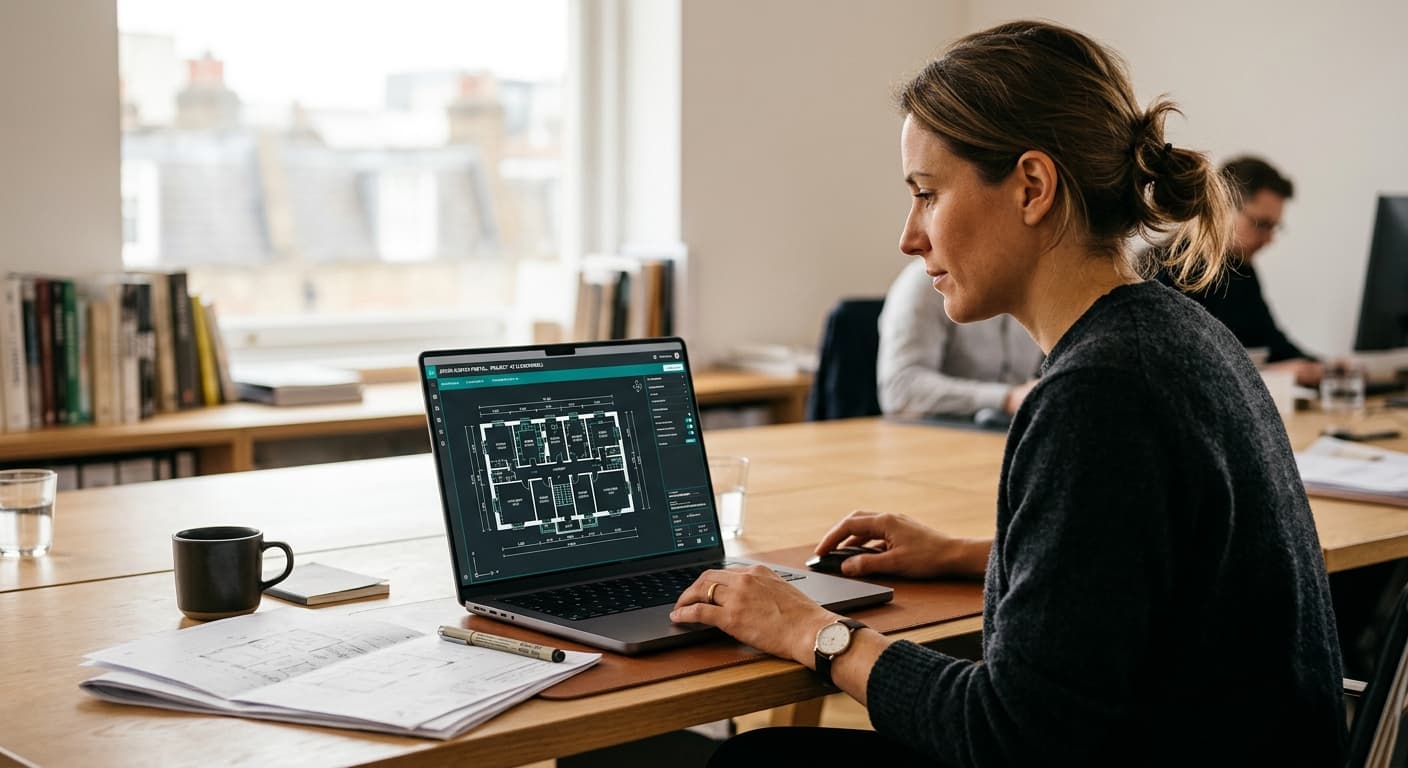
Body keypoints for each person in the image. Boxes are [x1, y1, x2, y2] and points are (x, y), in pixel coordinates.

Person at [671, 20, 1346, 765]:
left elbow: (1011, 736)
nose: (909, 235)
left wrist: (815, 631)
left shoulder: (1099, 391)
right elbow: (1137, 575)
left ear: (1032, 186)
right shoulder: (1175, 333)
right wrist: (970, 555)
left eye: (927, 194)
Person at [1156, 156, 1322, 386]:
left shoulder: (1241, 269)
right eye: (1261, 224)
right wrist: (1276, 374)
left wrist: (1325, 368)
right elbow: (1179, 369)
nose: (1269, 239)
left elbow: (1273, 344)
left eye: (1274, 227)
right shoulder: (1168, 268)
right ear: (1222, 205)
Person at [877, 259, 1043, 418]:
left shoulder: (1036, 284)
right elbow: (900, 390)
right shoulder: (923, 283)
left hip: (1014, 428)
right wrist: (1007, 398)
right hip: (938, 435)